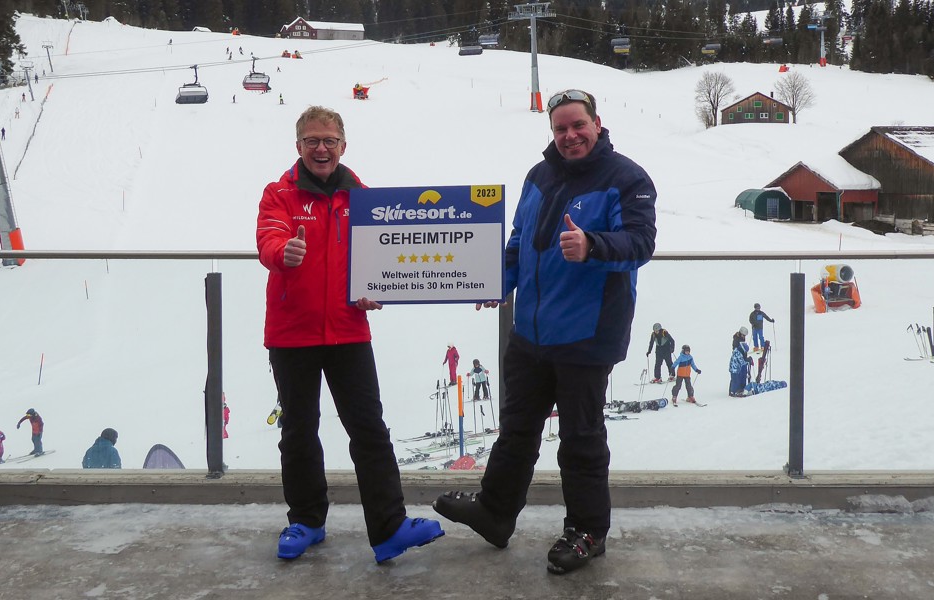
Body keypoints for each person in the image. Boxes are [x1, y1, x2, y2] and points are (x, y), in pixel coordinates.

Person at [433, 88, 657, 575]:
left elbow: (640, 242)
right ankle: (495, 513)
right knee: (515, 432)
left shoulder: (627, 178)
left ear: (597, 123)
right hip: (530, 332)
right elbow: (519, 242)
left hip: (586, 334)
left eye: (578, 125)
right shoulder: (540, 175)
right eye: (560, 128)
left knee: (580, 439)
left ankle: (587, 531)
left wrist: (592, 244)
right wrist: (499, 282)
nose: (570, 136)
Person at [256, 105, 443, 564]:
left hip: (347, 331)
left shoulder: (362, 197)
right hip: (292, 333)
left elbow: (379, 258)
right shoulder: (279, 194)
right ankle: (306, 520)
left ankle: (388, 529)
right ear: (298, 146)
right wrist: (286, 251)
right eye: (312, 141)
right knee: (299, 430)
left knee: (369, 430)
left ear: (343, 145)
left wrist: (372, 290)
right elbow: (269, 240)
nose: (321, 148)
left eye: (330, 140)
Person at [729, 327, 752, 397]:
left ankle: (740, 389)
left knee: (740, 376)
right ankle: (733, 391)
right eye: (743, 335)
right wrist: (746, 360)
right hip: (736, 365)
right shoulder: (736, 340)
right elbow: (738, 353)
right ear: (740, 333)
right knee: (735, 378)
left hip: (740, 360)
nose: (744, 337)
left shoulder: (742, 338)